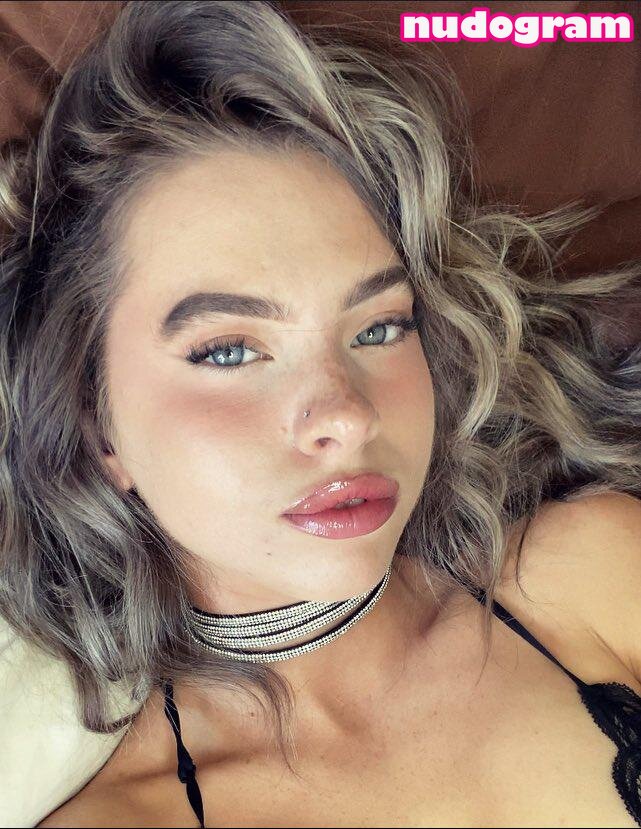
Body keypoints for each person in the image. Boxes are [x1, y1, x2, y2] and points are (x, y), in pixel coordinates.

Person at [0, 1, 639, 826]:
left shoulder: (592, 574)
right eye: (228, 350)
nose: (346, 414)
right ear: (100, 429)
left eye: (378, 327)